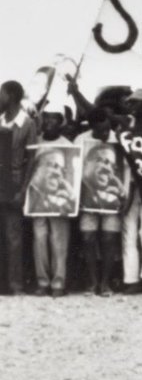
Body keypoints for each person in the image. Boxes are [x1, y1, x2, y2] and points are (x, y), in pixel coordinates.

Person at [77, 108, 129, 297]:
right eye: (101, 131)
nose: (106, 134)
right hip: (87, 198)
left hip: (112, 200)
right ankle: (92, 282)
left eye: (108, 129)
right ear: (91, 128)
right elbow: (75, 169)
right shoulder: (81, 140)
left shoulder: (119, 139)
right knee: (88, 238)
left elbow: (125, 169)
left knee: (109, 238)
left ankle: (105, 283)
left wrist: (125, 194)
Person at [25, 110, 75, 296]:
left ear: (61, 121)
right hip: (36, 199)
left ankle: (58, 283)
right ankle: (42, 282)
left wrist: (69, 197)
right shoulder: (34, 141)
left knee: (58, 240)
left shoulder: (67, 146)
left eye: (54, 118)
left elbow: (70, 176)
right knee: (39, 238)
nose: (49, 121)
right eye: (46, 117)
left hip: (58, 201)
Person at [117, 88, 142, 294]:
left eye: (136, 102)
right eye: (131, 102)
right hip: (129, 185)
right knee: (128, 233)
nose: (132, 106)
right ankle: (131, 279)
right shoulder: (126, 128)